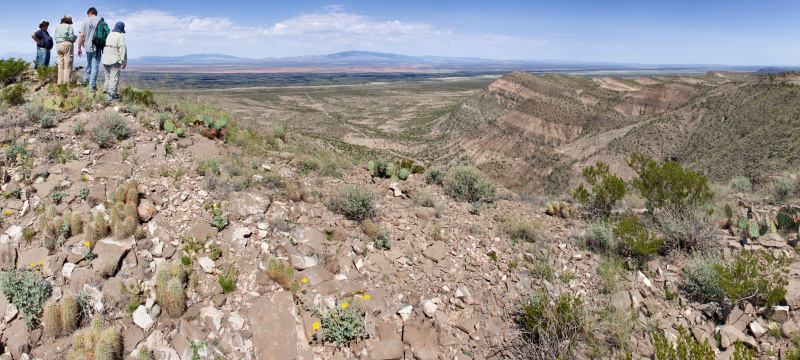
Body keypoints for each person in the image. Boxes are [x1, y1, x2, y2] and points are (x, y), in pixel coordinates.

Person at [77, 7, 102, 90]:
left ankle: (85, 81)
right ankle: (92, 85)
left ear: (89, 14)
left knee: (89, 63)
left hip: (87, 47)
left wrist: (79, 48)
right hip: (98, 47)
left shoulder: (85, 21)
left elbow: (81, 35)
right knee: (95, 66)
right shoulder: (101, 21)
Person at [102, 22, 126, 101]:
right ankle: (111, 95)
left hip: (106, 59)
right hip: (114, 59)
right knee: (114, 78)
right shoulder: (120, 36)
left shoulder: (109, 35)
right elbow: (122, 48)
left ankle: (106, 92)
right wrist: (123, 61)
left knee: (107, 77)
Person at [53, 15, 77, 84]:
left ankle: (60, 83)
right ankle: (66, 84)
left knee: (60, 65)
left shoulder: (57, 27)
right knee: (67, 65)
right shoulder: (69, 27)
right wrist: (75, 38)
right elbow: (71, 37)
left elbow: (55, 37)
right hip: (67, 45)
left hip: (58, 45)